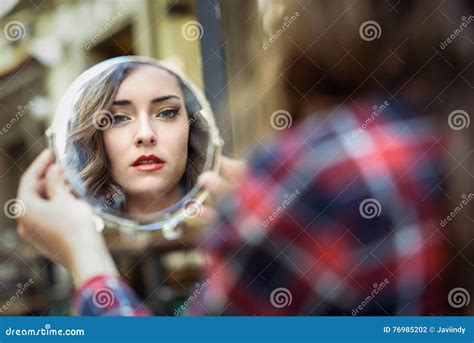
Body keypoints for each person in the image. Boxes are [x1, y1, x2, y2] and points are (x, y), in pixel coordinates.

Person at [17, 0, 472, 315]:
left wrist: (84, 260)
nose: (145, 134)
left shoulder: (325, 169)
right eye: (116, 119)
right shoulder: (428, 142)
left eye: (168, 112)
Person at [67, 60, 208, 215]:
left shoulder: (225, 223)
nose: (146, 134)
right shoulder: (80, 231)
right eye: (119, 118)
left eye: (166, 113)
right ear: (96, 137)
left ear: (190, 126)